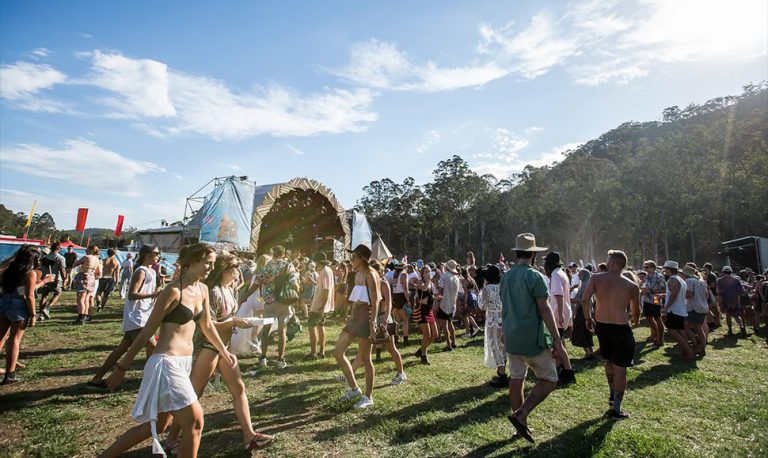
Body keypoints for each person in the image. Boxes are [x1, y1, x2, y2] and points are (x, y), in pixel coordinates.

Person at [101, 243, 236, 458]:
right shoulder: (172, 291)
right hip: (166, 363)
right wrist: (122, 366)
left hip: (184, 363)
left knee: (159, 425)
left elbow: (207, 326)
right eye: (207, 263)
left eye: (212, 264)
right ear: (191, 263)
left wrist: (224, 351)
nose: (211, 268)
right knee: (195, 423)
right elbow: (147, 333)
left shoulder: (202, 289)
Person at [164, 253, 273, 453]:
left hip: (224, 347)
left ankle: (249, 436)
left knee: (238, 388)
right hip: (208, 347)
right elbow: (208, 324)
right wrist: (233, 322)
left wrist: (237, 322)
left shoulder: (229, 290)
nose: (238, 272)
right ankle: (171, 439)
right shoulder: (212, 291)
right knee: (192, 395)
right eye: (235, 269)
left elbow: (230, 316)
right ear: (224, 271)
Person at [501, 233, 566, 442]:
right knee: (549, 378)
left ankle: (520, 425)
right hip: (532, 339)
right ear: (533, 254)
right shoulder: (534, 276)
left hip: (512, 336)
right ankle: (521, 414)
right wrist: (557, 339)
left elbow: (505, 308)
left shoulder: (507, 276)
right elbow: (545, 310)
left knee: (516, 379)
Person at [88, 246, 161, 389]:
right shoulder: (140, 271)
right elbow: (132, 294)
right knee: (154, 348)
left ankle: (97, 378)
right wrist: (153, 295)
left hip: (144, 316)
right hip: (136, 317)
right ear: (147, 254)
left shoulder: (151, 271)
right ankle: (150, 380)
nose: (158, 256)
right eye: (156, 253)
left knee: (121, 350)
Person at [582, 250, 640, 419]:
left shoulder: (596, 278)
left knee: (609, 360)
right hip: (620, 327)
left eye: (608, 260)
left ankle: (611, 393)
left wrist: (588, 318)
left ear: (613, 263)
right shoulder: (631, 285)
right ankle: (616, 408)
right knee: (620, 367)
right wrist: (635, 321)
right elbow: (636, 312)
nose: (606, 263)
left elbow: (586, 300)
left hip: (601, 325)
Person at [338, 260, 406, 385]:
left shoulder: (383, 283)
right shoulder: (367, 284)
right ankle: (349, 376)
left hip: (383, 319)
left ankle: (401, 373)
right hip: (371, 319)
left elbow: (389, 303)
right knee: (362, 352)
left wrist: (385, 320)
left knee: (391, 348)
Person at [333, 244, 381, 409]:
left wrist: (373, 323)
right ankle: (354, 389)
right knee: (338, 351)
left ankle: (368, 397)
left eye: (353, 257)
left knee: (366, 358)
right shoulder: (357, 274)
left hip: (366, 317)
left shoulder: (370, 274)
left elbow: (375, 301)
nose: (350, 260)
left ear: (362, 259)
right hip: (355, 317)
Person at [0, 245, 55, 384]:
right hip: (18, 307)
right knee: (14, 340)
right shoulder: (29, 273)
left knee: (1, 337)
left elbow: (21, 289)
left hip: (4, 303)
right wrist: (33, 315)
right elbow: (29, 295)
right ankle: (10, 375)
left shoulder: (9, 268)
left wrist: (41, 282)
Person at [254, 246, 299, 369]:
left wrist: (246, 296)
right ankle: (280, 360)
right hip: (284, 301)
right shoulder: (287, 265)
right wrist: (297, 292)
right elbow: (293, 280)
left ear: (272, 253)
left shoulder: (266, 266)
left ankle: (263, 357)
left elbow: (258, 281)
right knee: (282, 331)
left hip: (269, 302)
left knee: (266, 330)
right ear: (283, 254)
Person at [543, 252, 575, 384]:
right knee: (558, 343)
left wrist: (560, 313)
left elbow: (558, 295)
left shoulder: (556, 275)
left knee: (557, 343)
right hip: (563, 311)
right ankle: (558, 368)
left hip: (557, 312)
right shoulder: (561, 273)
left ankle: (568, 371)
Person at [479, 265, 507, 387]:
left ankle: (502, 374)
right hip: (504, 319)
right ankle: (502, 369)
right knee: (503, 345)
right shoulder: (503, 287)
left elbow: (482, 306)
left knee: (494, 345)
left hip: (492, 320)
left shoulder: (486, 289)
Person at [661, 261, 694, 360]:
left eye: (665, 269)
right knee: (680, 331)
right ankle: (687, 351)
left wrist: (666, 308)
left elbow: (674, 295)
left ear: (669, 269)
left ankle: (688, 352)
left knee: (673, 332)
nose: (664, 271)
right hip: (679, 309)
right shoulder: (680, 279)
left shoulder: (673, 279)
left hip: (674, 310)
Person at [307, 252, 335, 359]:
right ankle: (321, 351)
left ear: (318, 262)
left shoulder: (324, 271)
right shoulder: (327, 270)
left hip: (319, 305)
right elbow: (323, 287)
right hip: (321, 304)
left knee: (311, 327)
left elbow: (326, 290)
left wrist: (322, 306)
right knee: (320, 326)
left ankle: (313, 353)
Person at [681, 266, 709, 356]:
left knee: (687, 327)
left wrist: (680, 295)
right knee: (699, 329)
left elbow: (689, 294)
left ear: (685, 274)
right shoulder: (701, 282)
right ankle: (702, 349)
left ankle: (696, 346)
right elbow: (706, 295)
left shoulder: (688, 281)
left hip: (693, 308)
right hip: (702, 307)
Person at [414, 265, 438, 365]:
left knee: (435, 335)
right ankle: (424, 355)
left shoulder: (431, 283)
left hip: (429, 310)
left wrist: (437, 298)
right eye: (426, 272)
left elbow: (431, 295)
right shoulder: (420, 282)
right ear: (423, 274)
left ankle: (421, 349)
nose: (429, 273)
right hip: (422, 311)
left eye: (429, 271)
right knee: (427, 335)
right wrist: (428, 280)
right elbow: (423, 289)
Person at [38, 241, 68, 321]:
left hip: (45, 279)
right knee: (57, 293)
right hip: (56, 279)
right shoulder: (61, 258)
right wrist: (65, 280)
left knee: (44, 296)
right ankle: (47, 308)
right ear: (59, 249)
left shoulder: (44, 258)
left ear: (51, 248)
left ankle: (41, 315)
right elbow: (62, 270)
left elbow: (40, 269)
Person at [571, 267, 596, 359]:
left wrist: (575, 300)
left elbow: (585, 301)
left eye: (580, 274)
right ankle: (590, 352)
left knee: (580, 331)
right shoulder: (586, 284)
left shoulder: (586, 285)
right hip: (586, 310)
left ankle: (589, 353)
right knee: (586, 331)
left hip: (583, 311)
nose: (578, 275)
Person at [73, 245, 102, 324]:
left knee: (80, 299)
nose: (85, 250)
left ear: (91, 250)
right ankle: (85, 315)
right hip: (92, 278)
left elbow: (75, 264)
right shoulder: (97, 259)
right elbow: (99, 274)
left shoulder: (86, 257)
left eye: (87, 249)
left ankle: (81, 316)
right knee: (87, 299)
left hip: (84, 276)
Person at [641, 261, 666, 347]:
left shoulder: (659, 277)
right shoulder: (647, 276)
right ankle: (655, 335)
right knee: (648, 317)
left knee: (658, 318)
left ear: (652, 267)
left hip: (656, 299)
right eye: (645, 267)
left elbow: (664, 290)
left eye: (647, 267)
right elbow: (645, 286)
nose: (645, 269)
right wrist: (643, 291)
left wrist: (651, 291)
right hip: (647, 299)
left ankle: (661, 339)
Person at [437, 260, 460, 351]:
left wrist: (437, 301)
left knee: (444, 324)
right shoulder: (456, 277)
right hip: (452, 303)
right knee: (450, 323)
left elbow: (440, 290)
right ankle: (453, 342)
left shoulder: (444, 276)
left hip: (444, 303)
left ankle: (448, 344)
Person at [717, 265, 747, 337]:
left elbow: (719, 292)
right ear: (730, 272)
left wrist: (720, 301)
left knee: (728, 315)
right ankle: (741, 326)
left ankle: (730, 330)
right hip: (735, 300)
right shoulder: (736, 280)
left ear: (723, 272)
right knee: (736, 316)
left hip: (726, 300)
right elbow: (742, 292)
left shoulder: (720, 280)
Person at [390, 262, 411, 346]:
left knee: (397, 320)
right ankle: (406, 339)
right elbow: (405, 288)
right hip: (402, 297)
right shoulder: (403, 275)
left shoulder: (394, 275)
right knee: (405, 320)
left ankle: (395, 337)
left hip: (395, 297)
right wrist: (408, 300)